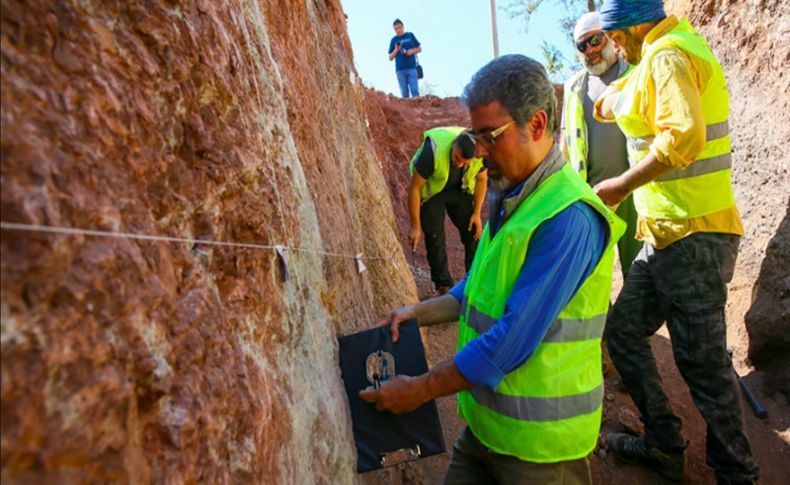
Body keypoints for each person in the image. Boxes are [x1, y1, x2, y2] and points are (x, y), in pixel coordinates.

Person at [360, 54, 625, 484]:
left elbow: (511, 342)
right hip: (487, 431)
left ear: (537, 125)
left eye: (490, 136)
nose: (480, 153)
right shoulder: (510, 197)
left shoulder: (568, 217)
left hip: (539, 453)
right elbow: (477, 287)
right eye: (474, 136)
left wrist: (420, 390)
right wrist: (418, 313)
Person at [591, 1, 759, 483]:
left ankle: (737, 475)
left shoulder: (666, 56)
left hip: (693, 236)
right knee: (623, 332)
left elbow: (682, 137)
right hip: (667, 236)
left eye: (617, 36)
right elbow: (636, 92)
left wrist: (621, 185)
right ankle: (665, 444)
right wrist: (612, 99)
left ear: (637, 24)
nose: (614, 46)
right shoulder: (661, 54)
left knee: (703, 366)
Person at [561, 11, 642, 276]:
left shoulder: (636, 74)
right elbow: (566, 140)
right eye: (582, 45)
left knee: (640, 268)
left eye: (595, 40)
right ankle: (605, 319)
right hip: (591, 195)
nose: (590, 50)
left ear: (609, 37)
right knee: (591, 273)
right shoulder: (574, 86)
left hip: (634, 190)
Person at [408, 127, 487, 295]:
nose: (459, 164)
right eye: (457, 158)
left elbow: (481, 179)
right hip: (432, 193)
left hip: (460, 190)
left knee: (473, 231)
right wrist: (415, 226)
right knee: (434, 235)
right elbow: (414, 188)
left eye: (465, 163)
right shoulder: (432, 152)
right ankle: (443, 284)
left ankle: (474, 280)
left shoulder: (479, 154)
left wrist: (477, 213)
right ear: (453, 144)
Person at [388, 19, 421, 98]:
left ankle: (418, 109)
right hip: (400, 70)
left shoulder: (410, 35)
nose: (398, 30)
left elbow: (419, 49)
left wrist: (412, 51)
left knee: (415, 91)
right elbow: (390, 58)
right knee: (404, 94)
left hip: (412, 68)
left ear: (403, 26)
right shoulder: (393, 40)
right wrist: (396, 50)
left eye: (399, 28)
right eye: (396, 29)